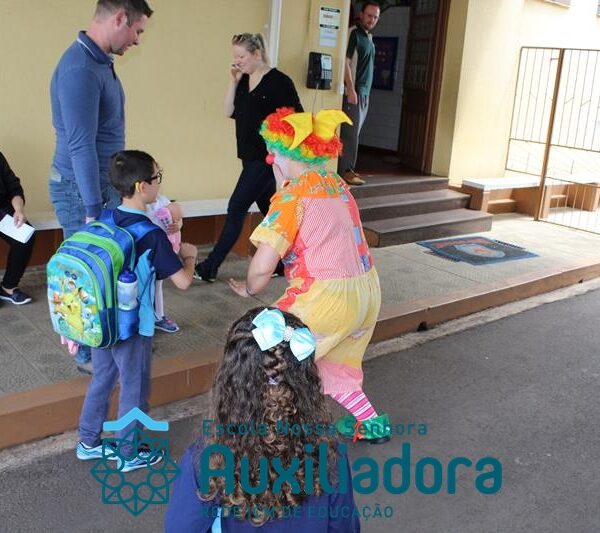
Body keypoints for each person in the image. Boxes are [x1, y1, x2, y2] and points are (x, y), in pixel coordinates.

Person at [229, 108, 391, 443]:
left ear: (282, 154)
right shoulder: (335, 183)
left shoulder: (292, 198)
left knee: (268, 352)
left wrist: (250, 288)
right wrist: (282, 180)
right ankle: (372, 424)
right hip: (365, 291)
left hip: (325, 296)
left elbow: (263, 265)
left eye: (272, 152)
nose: (270, 158)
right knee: (333, 361)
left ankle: (271, 435)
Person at [165, 307, 361, 531]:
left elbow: (181, 528)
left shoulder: (206, 458)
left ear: (230, 383)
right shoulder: (330, 454)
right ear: (308, 383)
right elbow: (344, 528)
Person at [76, 150, 198, 472]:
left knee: (103, 377)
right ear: (143, 186)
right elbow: (183, 282)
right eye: (157, 177)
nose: (159, 183)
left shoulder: (105, 217)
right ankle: (128, 453)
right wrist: (190, 256)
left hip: (102, 319)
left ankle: (88, 441)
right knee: (134, 384)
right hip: (132, 325)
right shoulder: (150, 233)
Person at [49, 0, 153, 372]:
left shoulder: (99, 62)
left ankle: (106, 339)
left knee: (109, 268)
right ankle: (86, 352)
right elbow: (80, 145)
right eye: (137, 30)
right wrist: (93, 210)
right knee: (85, 274)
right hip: (81, 190)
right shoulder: (79, 69)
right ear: (119, 18)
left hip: (101, 186)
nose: (137, 40)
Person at [194, 32, 303, 283]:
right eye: (235, 56)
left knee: (236, 208)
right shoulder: (243, 80)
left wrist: (280, 148)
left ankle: (210, 267)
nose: (237, 61)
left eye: (241, 56)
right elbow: (228, 111)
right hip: (248, 157)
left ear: (257, 54)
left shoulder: (279, 82)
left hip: (266, 160)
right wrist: (233, 82)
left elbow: (297, 118)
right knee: (271, 212)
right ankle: (284, 262)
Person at [337, 1, 381, 186]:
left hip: (364, 94)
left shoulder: (368, 38)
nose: (372, 20)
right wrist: (350, 89)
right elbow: (345, 62)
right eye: (369, 15)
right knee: (349, 135)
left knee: (355, 134)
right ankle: (345, 172)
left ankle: (348, 169)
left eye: (375, 17)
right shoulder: (353, 33)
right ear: (361, 14)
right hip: (353, 92)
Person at [0, 151, 35, 305]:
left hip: (2, 208)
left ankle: (8, 287)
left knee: (25, 235)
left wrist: (19, 210)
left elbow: (14, 187)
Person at [146, 194, 183, 333]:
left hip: (162, 251)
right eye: (155, 182)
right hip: (147, 251)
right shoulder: (140, 203)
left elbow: (178, 218)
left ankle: (159, 317)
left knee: (157, 285)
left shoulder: (163, 200)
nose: (158, 186)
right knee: (144, 287)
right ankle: (147, 318)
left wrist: (178, 225)